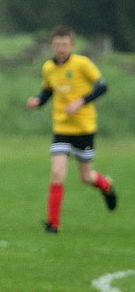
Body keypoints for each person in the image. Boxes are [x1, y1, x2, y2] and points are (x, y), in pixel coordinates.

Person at [26, 25, 116, 233]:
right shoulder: (49, 67)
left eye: (65, 44)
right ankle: (53, 224)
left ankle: (106, 186)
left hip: (84, 128)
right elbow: (47, 91)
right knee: (57, 172)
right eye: (57, 44)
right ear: (52, 45)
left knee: (86, 177)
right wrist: (37, 101)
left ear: (72, 45)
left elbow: (102, 86)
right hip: (62, 128)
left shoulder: (82, 64)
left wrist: (81, 101)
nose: (61, 49)